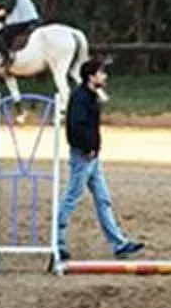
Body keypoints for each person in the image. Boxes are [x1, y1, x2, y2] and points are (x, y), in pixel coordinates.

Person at [54, 58, 142, 262]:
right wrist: (87, 148)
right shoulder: (80, 98)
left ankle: (119, 244)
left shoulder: (90, 96)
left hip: (92, 156)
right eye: (101, 73)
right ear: (91, 77)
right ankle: (56, 240)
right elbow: (74, 128)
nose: (105, 76)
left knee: (103, 199)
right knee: (72, 197)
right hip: (84, 156)